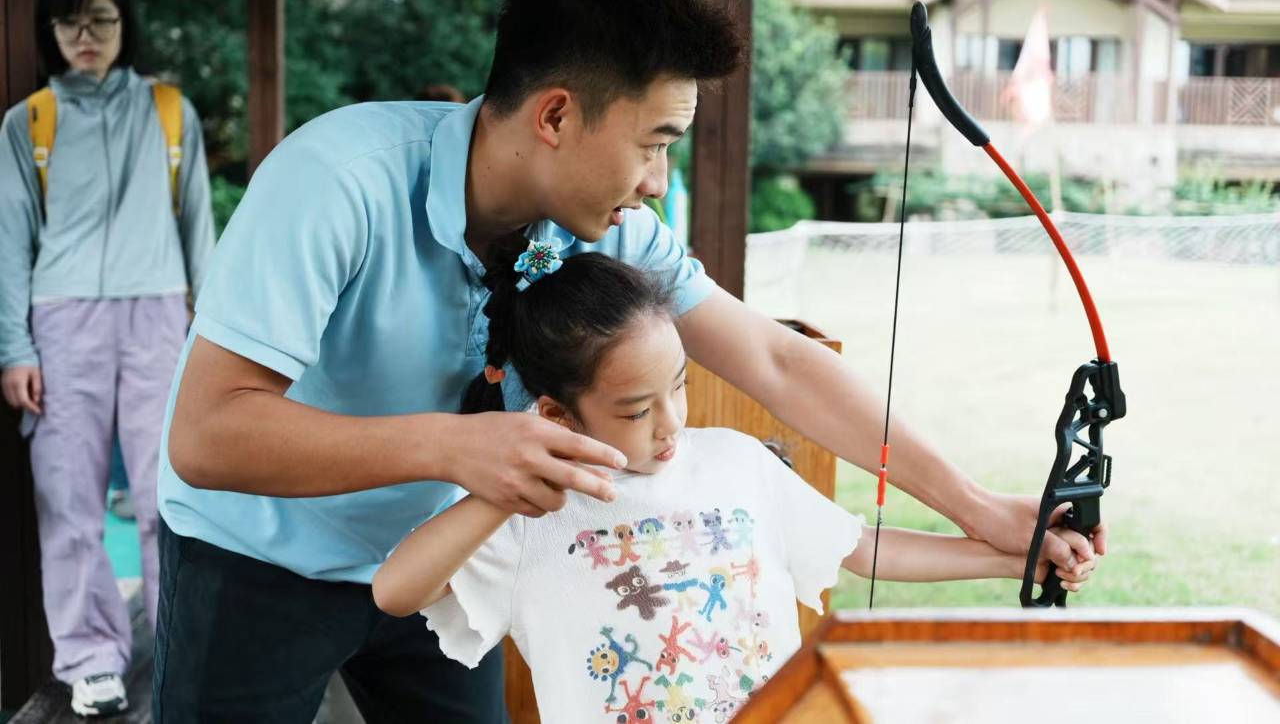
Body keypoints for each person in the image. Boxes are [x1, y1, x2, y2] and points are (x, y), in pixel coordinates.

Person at [157, 0, 1101, 722]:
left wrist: (979, 508)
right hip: (258, 563)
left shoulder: (608, 231)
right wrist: (460, 446)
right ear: (557, 114)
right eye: (654, 141)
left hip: (445, 556)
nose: (657, 179)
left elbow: (775, 358)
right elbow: (206, 436)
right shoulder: (337, 182)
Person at [371, 243, 1098, 722]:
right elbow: (395, 590)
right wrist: (502, 489)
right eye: (633, 409)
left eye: (679, 388)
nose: (669, 424)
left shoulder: (735, 461)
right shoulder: (526, 514)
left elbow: (865, 550)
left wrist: (1015, 555)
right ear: (557, 410)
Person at [0, 0, 215, 718]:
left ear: (125, 25)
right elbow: (10, 240)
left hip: (160, 315)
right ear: (48, 31)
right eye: (68, 23)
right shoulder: (28, 122)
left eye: (100, 20)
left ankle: (180, 647)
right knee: (68, 498)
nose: (84, 37)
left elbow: (201, 233)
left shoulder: (168, 111)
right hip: (60, 322)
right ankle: (91, 659)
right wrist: (14, 348)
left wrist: (215, 337)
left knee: (170, 493)